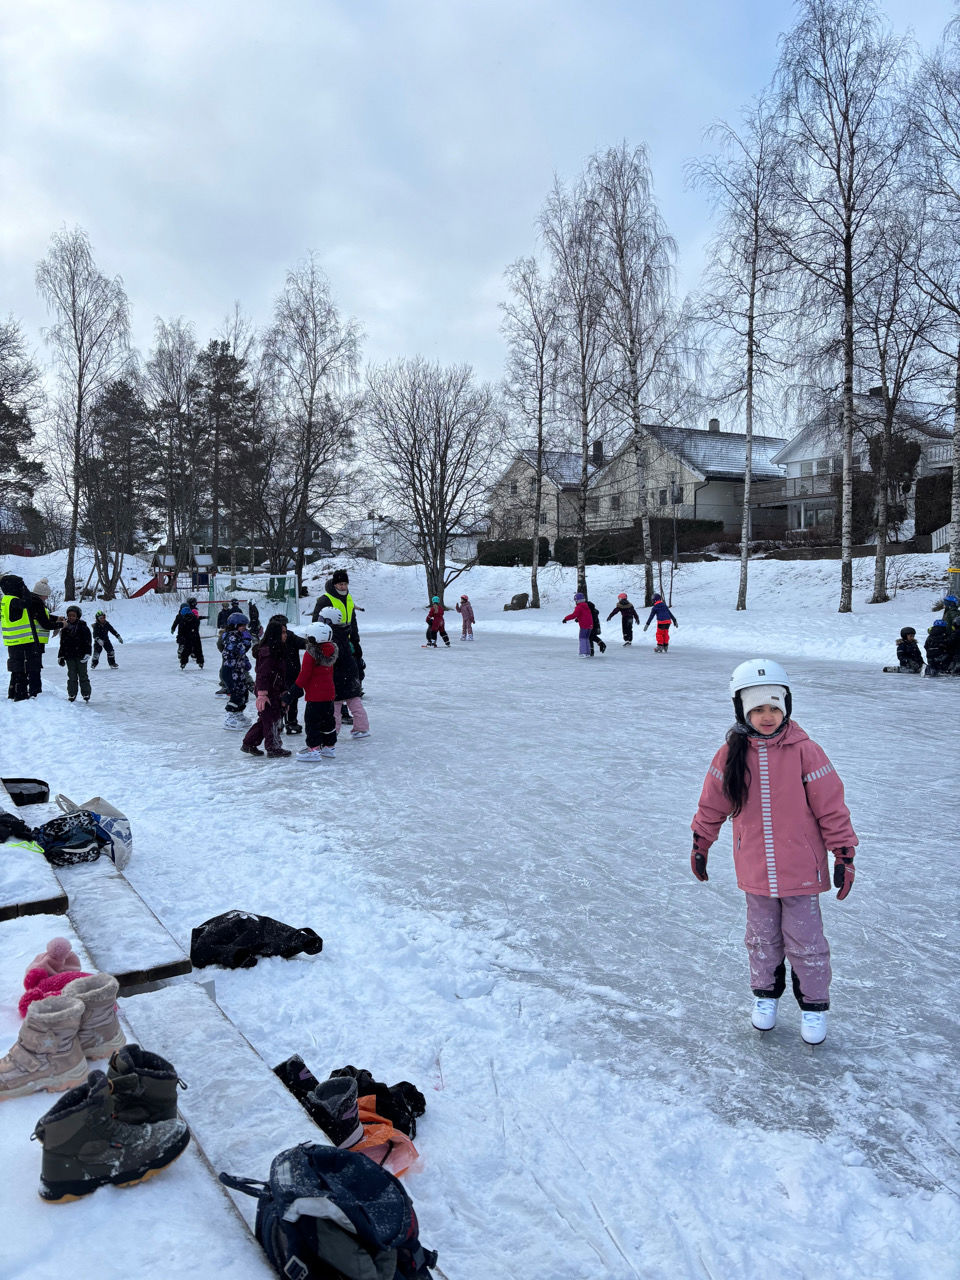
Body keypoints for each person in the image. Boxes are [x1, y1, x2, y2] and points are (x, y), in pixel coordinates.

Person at [689, 658, 858, 1045]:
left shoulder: (805, 751)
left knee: (807, 940)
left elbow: (831, 806)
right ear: (743, 711)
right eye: (758, 709)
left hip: (802, 868)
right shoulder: (730, 754)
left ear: (787, 707)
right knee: (761, 938)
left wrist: (843, 853)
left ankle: (814, 1006)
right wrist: (702, 842)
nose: (767, 716)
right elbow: (712, 804)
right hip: (756, 869)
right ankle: (765, 997)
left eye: (774, 707)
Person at [313, 569, 365, 717]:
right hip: (331, 642)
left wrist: (355, 641)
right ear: (335, 584)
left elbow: (352, 621)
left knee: (350, 672)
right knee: (337, 675)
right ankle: (338, 708)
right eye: (340, 584)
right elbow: (317, 621)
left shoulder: (349, 598)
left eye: (345, 584)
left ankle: (345, 705)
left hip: (346, 641)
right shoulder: (325, 599)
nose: (343, 587)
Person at [1, 573, 60, 700]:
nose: (47, 598)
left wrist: (55, 619)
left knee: (18, 668)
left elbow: (39, 616)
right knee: (30, 668)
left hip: (16, 640)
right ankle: (31, 693)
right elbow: (43, 622)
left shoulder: (10, 600)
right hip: (27, 640)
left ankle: (14, 693)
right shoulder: (28, 601)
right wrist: (60, 624)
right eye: (46, 595)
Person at [241, 618, 292, 758]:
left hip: (275, 690)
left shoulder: (278, 650)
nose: (285, 635)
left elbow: (281, 674)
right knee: (272, 720)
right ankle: (273, 747)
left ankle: (249, 743)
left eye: (285, 632)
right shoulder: (268, 653)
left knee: (266, 719)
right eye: (282, 632)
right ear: (275, 634)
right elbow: (262, 674)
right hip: (267, 692)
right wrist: (262, 694)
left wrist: (283, 691)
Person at [317, 606, 370, 740]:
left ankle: (333, 731)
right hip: (350, 674)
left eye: (321, 619)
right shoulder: (342, 632)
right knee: (354, 702)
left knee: (335, 706)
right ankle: (362, 728)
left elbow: (334, 658)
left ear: (329, 622)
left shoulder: (332, 637)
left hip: (339, 676)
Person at [294, 620, 339, 762]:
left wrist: (294, 688)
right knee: (328, 720)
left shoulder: (311, 654)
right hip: (329, 693)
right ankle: (329, 746)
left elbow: (305, 675)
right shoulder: (331, 650)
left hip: (315, 695)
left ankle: (313, 749)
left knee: (312, 722)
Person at [268, 612, 307, 734]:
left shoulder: (289, 636)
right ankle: (285, 721)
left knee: (290, 697)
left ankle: (289, 721)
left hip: (289, 673)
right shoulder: (274, 638)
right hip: (282, 673)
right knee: (284, 697)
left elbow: (303, 643)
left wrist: (313, 642)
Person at [221, 613, 253, 729]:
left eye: (245, 625)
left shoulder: (238, 635)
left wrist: (245, 661)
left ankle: (238, 713)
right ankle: (230, 717)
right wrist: (247, 642)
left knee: (243, 691)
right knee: (236, 693)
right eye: (242, 625)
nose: (244, 627)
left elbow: (241, 654)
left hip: (238, 669)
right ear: (234, 625)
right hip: (230, 670)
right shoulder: (231, 636)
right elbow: (238, 649)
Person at [58, 606, 93, 703]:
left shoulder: (83, 627)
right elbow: (62, 643)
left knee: (83, 675)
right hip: (69, 656)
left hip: (81, 655)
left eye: (73, 615)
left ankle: (86, 693)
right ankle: (72, 693)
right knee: (72, 675)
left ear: (78, 616)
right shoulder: (65, 628)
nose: (71, 617)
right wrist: (61, 656)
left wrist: (88, 653)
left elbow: (88, 642)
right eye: (69, 615)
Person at [170, 597, 204, 670]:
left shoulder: (182, 619)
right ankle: (200, 661)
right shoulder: (194, 617)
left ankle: (183, 662)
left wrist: (176, 630)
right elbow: (197, 623)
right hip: (195, 635)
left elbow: (181, 628)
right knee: (198, 648)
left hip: (187, 636)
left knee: (186, 649)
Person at [562, 592, 594, 657]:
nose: (575, 602)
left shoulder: (579, 607)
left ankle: (583, 653)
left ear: (577, 600)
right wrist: (578, 619)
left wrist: (566, 618)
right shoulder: (586, 605)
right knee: (586, 638)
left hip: (584, 625)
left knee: (582, 638)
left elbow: (574, 615)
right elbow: (584, 615)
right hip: (590, 625)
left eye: (575, 600)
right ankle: (587, 652)